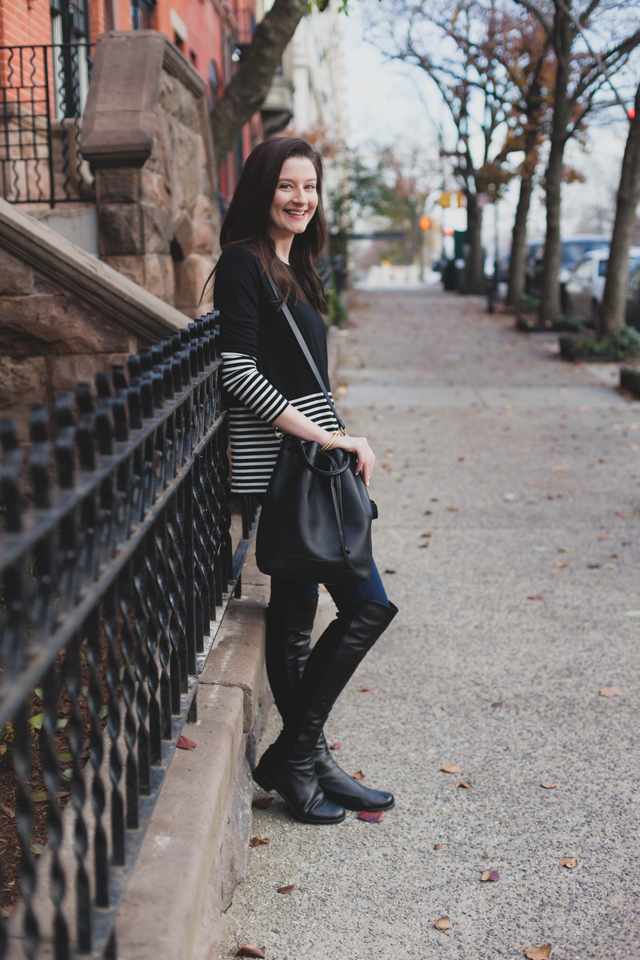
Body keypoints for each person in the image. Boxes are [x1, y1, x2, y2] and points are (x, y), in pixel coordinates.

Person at [212, 137, 398, 826]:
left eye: (310, 187)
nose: (300, 198)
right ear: (262, 190)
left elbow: (303, 379)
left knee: (295, 618)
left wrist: (348, 436)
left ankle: (305, 758)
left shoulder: (298, 266)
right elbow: (239, 370)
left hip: (314, 461)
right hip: (288, 465)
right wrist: (329, 437)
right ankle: (297, 756)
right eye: (287, 186)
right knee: (366, 604)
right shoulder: (243, 264)